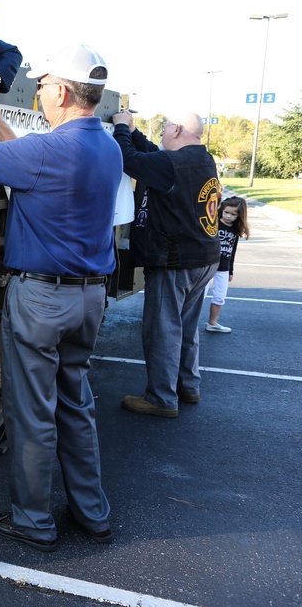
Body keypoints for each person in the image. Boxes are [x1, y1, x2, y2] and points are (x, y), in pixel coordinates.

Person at [0, 43, 121, 551]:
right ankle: (92, 513)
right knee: (75, 404)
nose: (39, 91)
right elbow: (26, 166)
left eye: (42, 84)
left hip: (42, 300)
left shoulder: (50, 150)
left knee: (32, 414)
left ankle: (33, 522)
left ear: (61, 91)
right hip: (88, 300)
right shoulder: (106, 146)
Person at [111, 110, 220, 417]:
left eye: (164, 127)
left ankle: (160, 397)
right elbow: (149, 154)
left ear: (177, 129)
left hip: (175, 260)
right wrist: (133, 132)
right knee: (185, 327)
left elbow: (129, 160)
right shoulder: (201, 159)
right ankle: (188, 386)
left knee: (162, 329)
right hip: (203, 257)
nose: (160, 132)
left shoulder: (171, 164)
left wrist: (120, 127)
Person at [205, 196, 249, 333]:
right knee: (200, 294)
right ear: (221, 210)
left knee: (220, 295)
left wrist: (231, 270)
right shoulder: (214, 224)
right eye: (226, 212)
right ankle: (189, 322)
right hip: (207, 264)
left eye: (233, 214)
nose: (229, 216)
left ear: (239, 215)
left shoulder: (235, 231)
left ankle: (212, 322)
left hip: (223, 267)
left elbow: (233, 251)